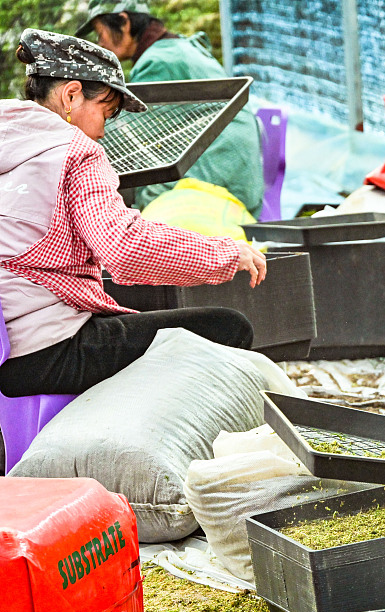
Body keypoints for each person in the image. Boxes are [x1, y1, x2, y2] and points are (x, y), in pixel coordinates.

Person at [0, 29, 267, 398]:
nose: (102, 131)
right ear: (72, 94)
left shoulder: (7, 132)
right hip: (46, 351)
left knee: (125, 314)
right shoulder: (76, 151)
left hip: (7, 350)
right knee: (228, 327)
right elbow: (125, 250)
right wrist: (226, 253)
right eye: (105, 114)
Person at [76, 0, 264, 217]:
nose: (101, 43)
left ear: (124, 22)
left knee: (138, 211)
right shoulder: (175, 48)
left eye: (101, 33)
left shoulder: (158, 62)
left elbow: (140, 145)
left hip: (220, 181)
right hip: (243, 181)